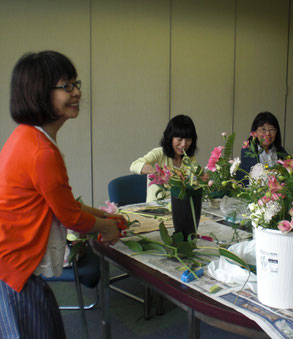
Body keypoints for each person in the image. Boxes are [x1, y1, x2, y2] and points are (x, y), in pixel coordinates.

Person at [0, 51, 124, 338]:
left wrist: (103, 215)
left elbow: (61, 202)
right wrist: (107, 227)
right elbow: (68, 215)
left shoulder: (27, 136)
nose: (77, 92)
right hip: (16, 270)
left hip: (12, 265)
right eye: (66, 86)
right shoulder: (41, 151)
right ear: (39, 93)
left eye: (75, 84)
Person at [130, 114, 198, 201]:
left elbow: (194, 186)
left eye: (188, 140)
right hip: (156, 208)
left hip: (180, 206)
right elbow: (134, 165)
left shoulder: (190, 158)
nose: (184, 144)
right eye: (179, 139)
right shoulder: (159, 153)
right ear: (170, 138)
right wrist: (159, 172)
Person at [237, 111, 288, 182]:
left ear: (276, 132)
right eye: (263, 129)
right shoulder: (248, 150)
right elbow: (249, 178)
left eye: (271, 129)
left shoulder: (280, 150)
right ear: (255, 132)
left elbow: (289, 169)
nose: (267, 133)